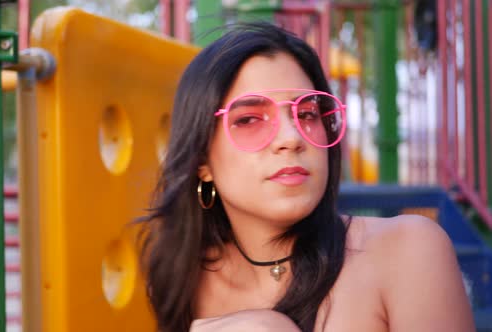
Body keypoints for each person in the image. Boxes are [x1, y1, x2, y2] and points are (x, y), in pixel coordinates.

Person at [138, 22, 474, 332]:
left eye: (307, 113)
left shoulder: (407, 251)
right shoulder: (180, 277)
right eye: (249, 119)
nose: (292, 137)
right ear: (201, 160)